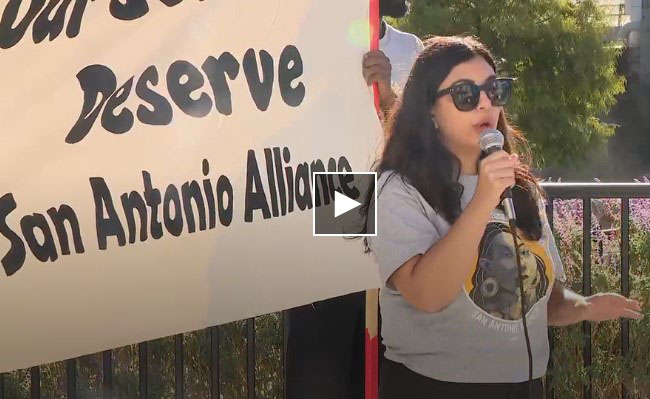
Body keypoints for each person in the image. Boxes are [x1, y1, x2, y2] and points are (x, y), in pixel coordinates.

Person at [360, 35, 644, 399]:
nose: (484, 104)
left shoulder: (519, 187)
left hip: (524, 386)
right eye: (465, 94)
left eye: (494, 91)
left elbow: (542, 300)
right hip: (433, 387)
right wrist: (482, 202)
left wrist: (584, 307)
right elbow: (426, 295)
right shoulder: (398, 189)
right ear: (429, 109)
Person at [285, 2, 423, 399]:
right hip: (338, 184)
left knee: (382, 341)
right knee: (324, 338)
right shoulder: (312, 42)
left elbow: (425, 137)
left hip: (397, 195)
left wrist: (389, 100)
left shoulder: (410, 48)